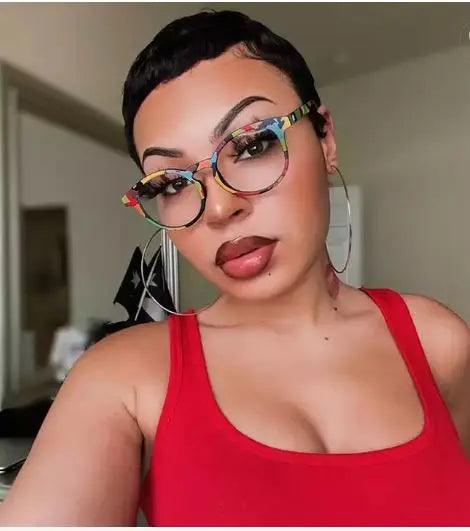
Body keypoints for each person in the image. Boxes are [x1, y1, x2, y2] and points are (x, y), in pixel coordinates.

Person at [1, 9, 469, 526]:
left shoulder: (438, 342)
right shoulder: (121, 380)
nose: (221, 208)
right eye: (171, 184)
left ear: (326, 140)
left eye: (252, 145)